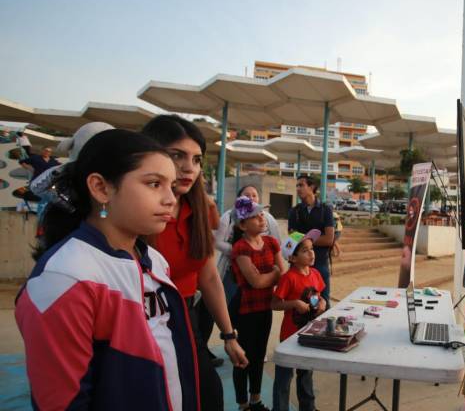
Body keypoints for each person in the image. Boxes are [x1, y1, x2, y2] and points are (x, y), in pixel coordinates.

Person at [15, 130, 199, 410]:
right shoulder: (63, 279)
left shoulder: (155, 261)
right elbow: (63, 402)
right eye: (153, 184)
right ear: (101, 188)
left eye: (171, 186)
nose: (170, 199)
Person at [142, 114, 247, 411]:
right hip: (142, 322)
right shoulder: (134, 212)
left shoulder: (198, 207)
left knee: (208, 395)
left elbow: (208, 275)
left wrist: (229, 336)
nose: (190, 167)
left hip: (187, 318)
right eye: (177, 156)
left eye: (197, 159)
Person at [230, 196, 285, 411]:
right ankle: (243, 404)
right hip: (244, 308)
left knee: (259, 353)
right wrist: (274, 274)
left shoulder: (271, 242)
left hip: (264, 307)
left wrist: (272, 275)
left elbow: (284, 273)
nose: (262, 218)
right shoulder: (240, 248)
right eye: (255, 216)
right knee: (243, 357)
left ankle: (255, 400)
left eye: (262, 214)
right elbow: (256, 281)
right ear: (242, 224)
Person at [271, 229, 326, 411]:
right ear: (293, 258)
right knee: (284, 378)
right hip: (290, 336)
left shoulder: (316, 274)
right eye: (305, 251)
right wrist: (294, 303)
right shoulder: (288, 278)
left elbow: (319, 295)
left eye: (312, 249)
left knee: (306, 375)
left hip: (309, 334)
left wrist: (323, 302)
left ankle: (308, 407)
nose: (311, 253)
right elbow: (275, 304)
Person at [214, 185, 282, 302]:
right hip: (232, 271)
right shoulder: (228, 217)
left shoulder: (269, 219)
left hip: (264, 270)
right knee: (232, 301)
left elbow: (277, 244)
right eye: (247, 195)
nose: (251, 198)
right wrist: (238, 252)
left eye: (254, 195)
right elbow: (216, 241)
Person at [287, 175, 335, 302]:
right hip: (299, 267)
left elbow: (329, 239)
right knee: (301, 303)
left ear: (312, 187)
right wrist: (311, 239)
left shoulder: (326, 210)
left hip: (319, 263)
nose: (298, 188)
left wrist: (305, 239)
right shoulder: (294, 211)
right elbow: (292, 238)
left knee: (322, 304)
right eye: (297, 185)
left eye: (301, 185)